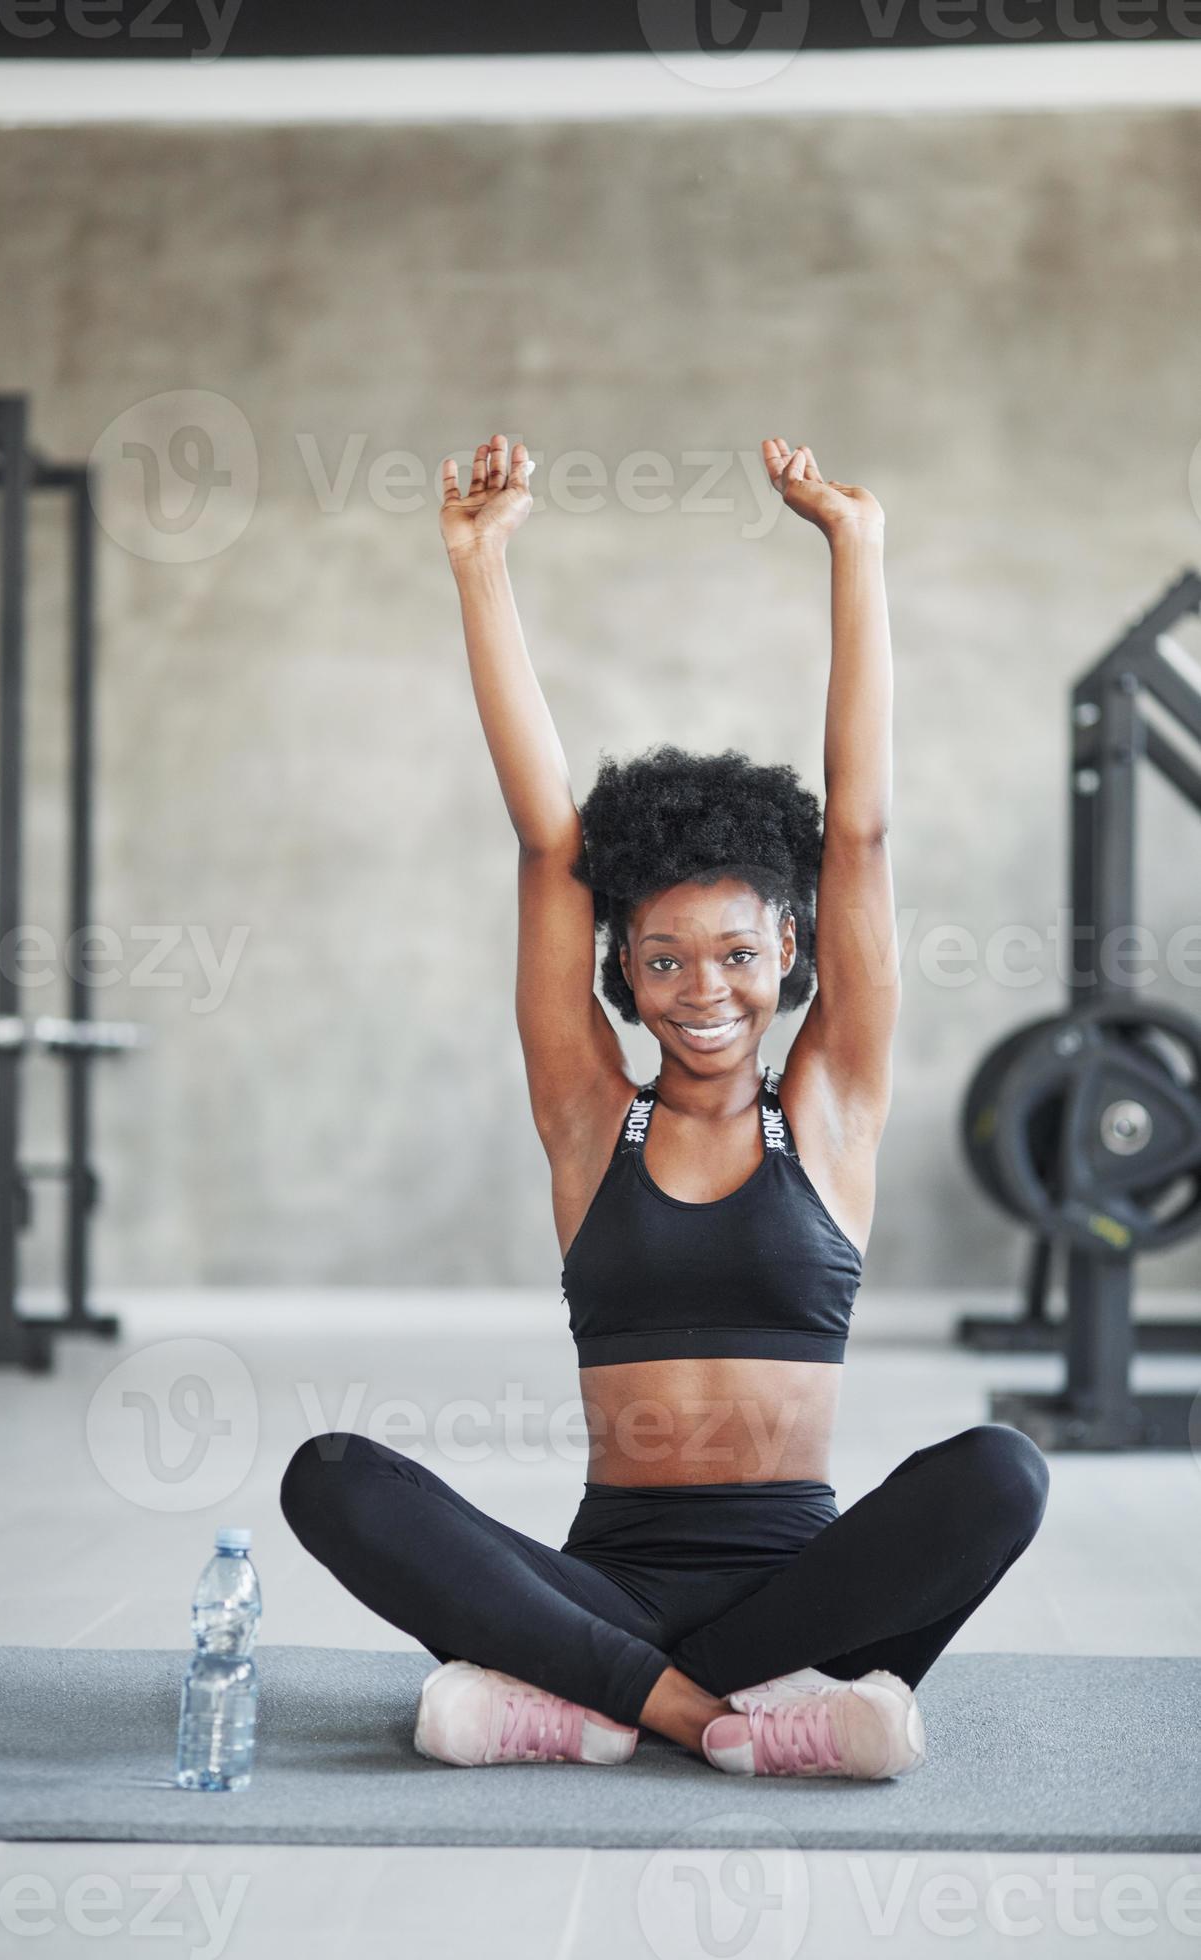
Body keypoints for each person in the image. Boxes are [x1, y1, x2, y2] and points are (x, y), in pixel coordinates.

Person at [280, 433, 1050, 1778]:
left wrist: (856, 553)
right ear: (621, 972)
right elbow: (548, 846)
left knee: (1004, 1473)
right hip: (603, 1592)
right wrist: (479, 566)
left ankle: (589, 1710)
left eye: (741, 956)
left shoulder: (832, 1112)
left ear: (789, 959)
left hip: (810, 1599)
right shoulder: (593, 1117)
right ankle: (716, 1719)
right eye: (666, 958)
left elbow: (859, 837)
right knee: (331, 1473)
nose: (707, 991)